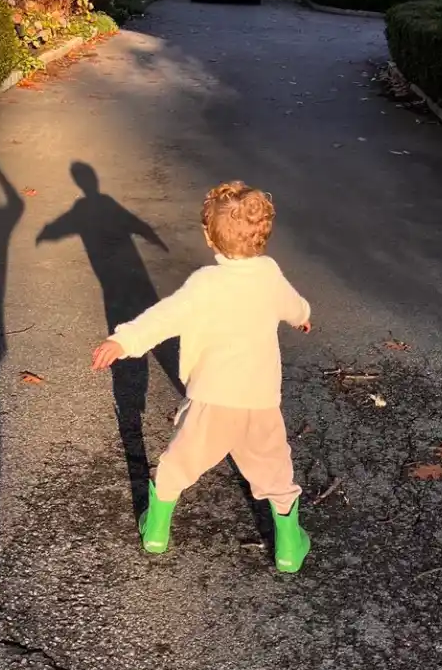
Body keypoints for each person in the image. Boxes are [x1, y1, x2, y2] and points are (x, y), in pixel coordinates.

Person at [92, 181, 313, 574]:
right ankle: (289, 547)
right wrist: (303, 317)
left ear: (208, 236)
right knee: (274, 469)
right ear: (264, 234)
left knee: (181, 461)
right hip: (259, 400)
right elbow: (293, 306)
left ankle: (156, 530)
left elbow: (165, 316)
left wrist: (123, 341)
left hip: (211, 399)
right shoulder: (269, 274)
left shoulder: (205, 284)